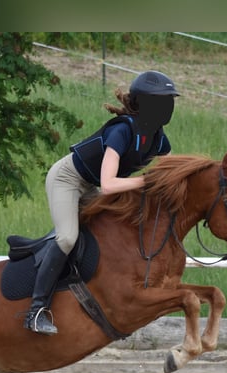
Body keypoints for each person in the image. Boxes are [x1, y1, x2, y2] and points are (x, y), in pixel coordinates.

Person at [24, 70, 180, 335]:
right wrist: (147, 183)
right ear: (143, 104)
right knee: (67, 238)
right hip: (68, 179)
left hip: (92, 186)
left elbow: (165, 177)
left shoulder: (159, 140)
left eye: (169, 102)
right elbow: (109, 184)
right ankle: (36, 310)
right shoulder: (122, 130)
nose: (166, 108)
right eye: (160, 102)